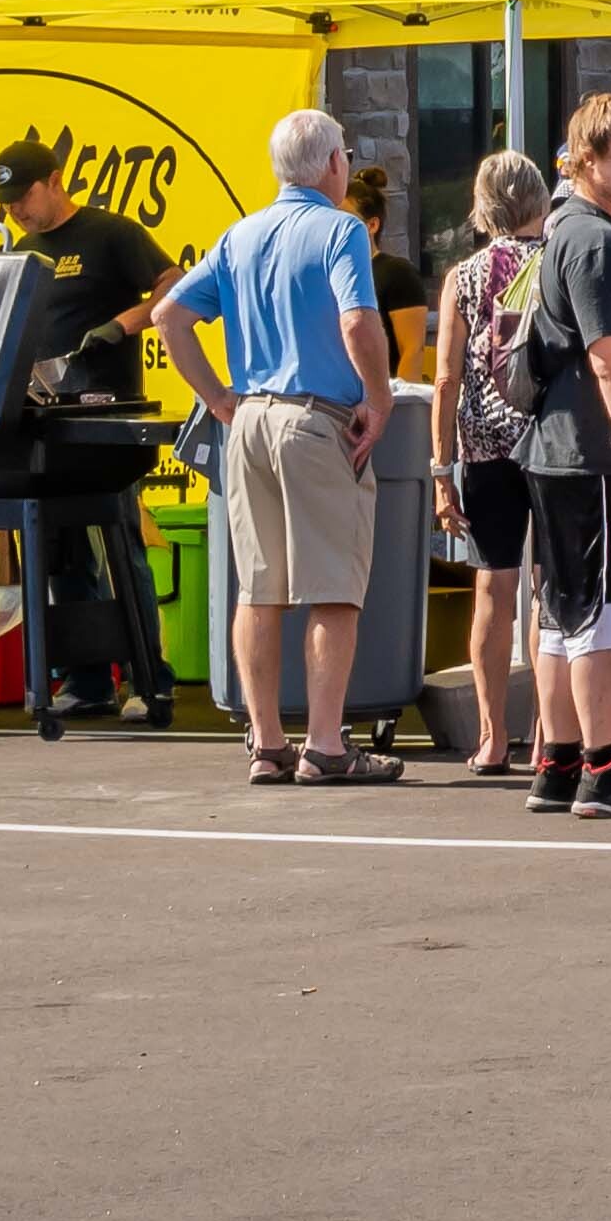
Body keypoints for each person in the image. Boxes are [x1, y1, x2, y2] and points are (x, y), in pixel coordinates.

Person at [164, 112, 407, 787]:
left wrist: (217, 397)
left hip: (249, 421)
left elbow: (169, 316)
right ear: (332, 161)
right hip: (313, 418)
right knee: (333, 590)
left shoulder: (240, 234)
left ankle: (267, 743)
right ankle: (325, 743)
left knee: (259, 588)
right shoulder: (341, 229)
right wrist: (379, 397)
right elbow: (359, 320)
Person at [498, 102, 611, 812]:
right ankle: (604, 764)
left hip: (557, 448)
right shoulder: (597, 240)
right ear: (585, 160)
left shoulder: (565, 228)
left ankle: (558, 759)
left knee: (561, 612)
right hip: (592, 450)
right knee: (603, 611)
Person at [0, 137, 193, 731]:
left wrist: (121, 326)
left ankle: (146, 678)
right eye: (7, 201)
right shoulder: (23, 252)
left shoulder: (111, 234)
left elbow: (175, 285)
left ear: (54, 181)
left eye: (23, 196)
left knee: (121, 542)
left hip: (105, 418)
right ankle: (84, 680)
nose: (16, 210)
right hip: (43, 416)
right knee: (60, 554)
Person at [428, 144, 556, 779]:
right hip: (550, 444)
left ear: (482, 208)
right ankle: (546, 734)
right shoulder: (559, 262)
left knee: (492, 589)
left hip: (483, 450)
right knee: (546, 592)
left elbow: (446, 377)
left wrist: (440, 470)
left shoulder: (465, 276)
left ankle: (491, 736)